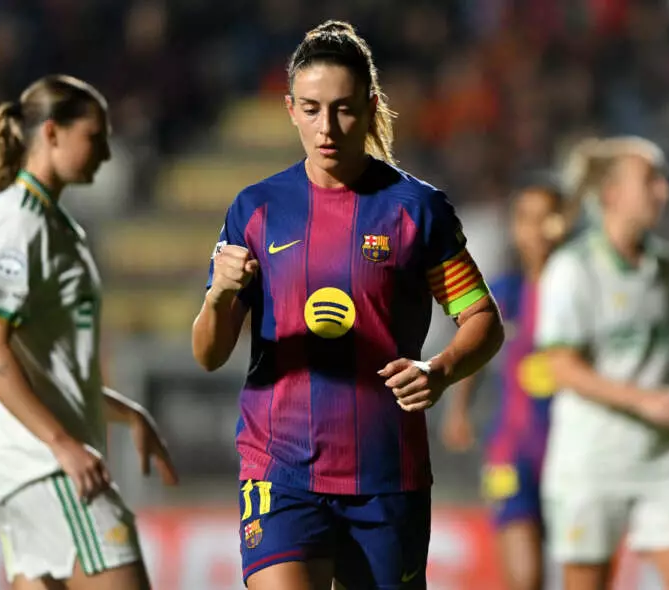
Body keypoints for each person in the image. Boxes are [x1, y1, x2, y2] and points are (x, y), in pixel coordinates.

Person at [191, 20, 505, 590]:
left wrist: (440, 370)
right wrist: (219, 295)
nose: (327, 127)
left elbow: (482, 319)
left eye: (343, 109)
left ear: (371, 106)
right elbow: (209, 354)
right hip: (278, 466)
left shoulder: (417, 209)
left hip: (386, 473)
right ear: (290, 109)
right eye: (311, 109)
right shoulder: (255, 210)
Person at [0, 74, 179, 590]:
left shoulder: (54, 224)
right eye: (95, 137)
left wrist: (125, 413)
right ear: (52, 133)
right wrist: (62, 444)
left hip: (37, 470)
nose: (105, 153)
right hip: (49, 469)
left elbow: (45, 368)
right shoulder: (17, 222)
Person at [538, 137, 669, 590]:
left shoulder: (665, 266)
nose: (664, 191)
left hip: (662, 455)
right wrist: (644, 400)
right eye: (650, 180)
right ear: (612, 193)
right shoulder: (573, 269)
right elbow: (561, 367)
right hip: (592, 459)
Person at [441, 182, 567, 590]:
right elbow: (473, 350)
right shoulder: (504, 293)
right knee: (526, 577)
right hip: (511, 451)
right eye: (527, 219)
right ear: (514, 227)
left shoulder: (580, 294)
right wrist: (459, 409)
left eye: (548, 217)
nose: (538, 229)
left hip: (573, 450)